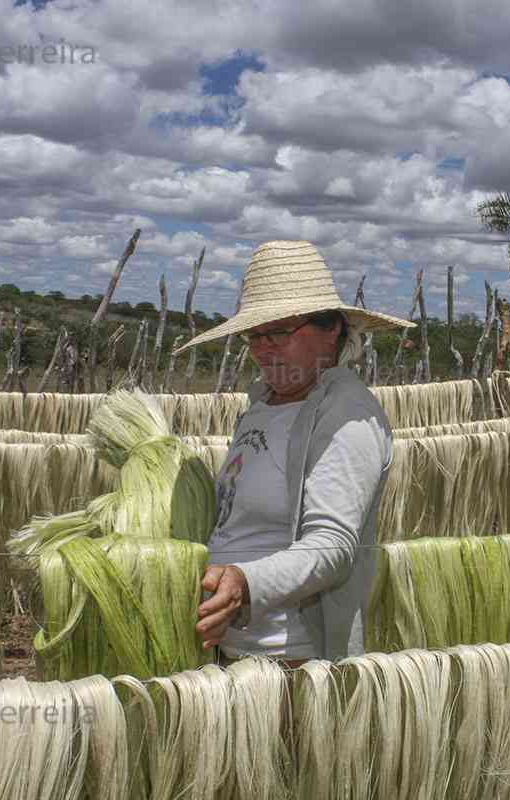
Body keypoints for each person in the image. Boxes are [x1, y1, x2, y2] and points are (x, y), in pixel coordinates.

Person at [172, 240, 413, 664]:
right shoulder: (262, 405)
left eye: (279, 332)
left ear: (331, 329)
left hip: (291, 663)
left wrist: (244, 582)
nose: (263, 348)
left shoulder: (347, 416)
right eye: (253, 335)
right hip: (231, 652)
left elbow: (333, 546)